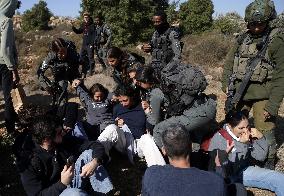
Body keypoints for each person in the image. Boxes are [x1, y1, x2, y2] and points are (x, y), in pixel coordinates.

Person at [221, 0, 284, 169]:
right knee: (233, 124)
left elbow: (280, 76)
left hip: (264, 94)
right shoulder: (242, 39)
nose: (256, 28)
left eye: (260, 24)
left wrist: (272, 105)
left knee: (265, 129)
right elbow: (229, 63)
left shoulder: (276, 41)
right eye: (253, 24)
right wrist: (225, 84)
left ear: (268, 21)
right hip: (241, 92)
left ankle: (268, 160)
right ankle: (235, 152)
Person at [19, 114, 110, 196]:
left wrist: (95, 161)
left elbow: (94, 145)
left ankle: (103, 193)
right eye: (59, 133)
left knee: (90, 154)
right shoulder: (28, 161)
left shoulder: (62, 141)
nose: (62, 133)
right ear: (46, 139)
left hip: (71, 180)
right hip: (56, 192)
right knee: (75, 194)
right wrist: (62, 183)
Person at [208, 110, 284, 196]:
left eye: (247, 126)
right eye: (241, 128)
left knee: (278, 178)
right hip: (228, 176)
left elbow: (260, 157)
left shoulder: (247, 133)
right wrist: (242, 144)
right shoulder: (220, 139)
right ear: (229, 126)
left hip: (244, 169)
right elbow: (229, 169)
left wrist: (261, 138)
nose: (245, 131)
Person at [142, 124, 227, 196]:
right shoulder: (215, 182)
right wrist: (219, 167)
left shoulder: (151, 175)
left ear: (164, 150)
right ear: (191, 146)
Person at [152, 61, 217, 150]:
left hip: (200, 113)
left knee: (158, 130)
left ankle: (170, 159)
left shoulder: (158, 90)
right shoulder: (176, 76)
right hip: (205, 105)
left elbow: (155, 120)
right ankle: (196, 148)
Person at [97, 85, 166, 166]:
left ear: (132, 97)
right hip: (125, 143)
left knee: (147, 138)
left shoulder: (142, 106)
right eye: (120, 101)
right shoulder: (117, 108)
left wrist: (147, 111)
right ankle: (96, 157)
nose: (123, 104)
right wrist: (116, 124)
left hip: (140, 143)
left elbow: (151, 127)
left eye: (125, 100)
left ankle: (160, 171)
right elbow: (113, 128)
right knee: (111, 128)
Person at [37, 38, 80, 110]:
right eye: (60, 53)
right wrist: (45, 86)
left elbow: (83, 62)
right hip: (60, 75)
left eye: (65, 52)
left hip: (73, 73)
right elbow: (40, 72)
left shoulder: (72, 53)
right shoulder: (50, 57)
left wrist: (80, 77)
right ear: (55, 52)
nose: (63, 55)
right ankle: (61, 111)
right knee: (61, 90)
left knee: (81, 88)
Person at [0, 0, 21, 134]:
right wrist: (13, 70)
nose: (14, 9)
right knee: (8, 98)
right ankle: (11, 130)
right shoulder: (5, 20)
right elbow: (5, 50)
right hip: (3, 64)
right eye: (13, 6)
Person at [142, 10, 182, 78]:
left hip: (168, 67)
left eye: (158, 22)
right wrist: (145, 47)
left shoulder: (172, 34)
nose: (155, 24)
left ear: (164, 21)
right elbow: (151, 45)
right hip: (155, 64)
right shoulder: (155, 33)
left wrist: (167, 70)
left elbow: (177, 56)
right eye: (154, 22)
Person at [71, 12, 95, 76]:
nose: (86, 18)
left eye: (87, 17)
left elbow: (94, 36)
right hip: (84, 45)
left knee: (91, 58)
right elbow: (78, 31)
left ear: (89, 18)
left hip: (90, 45)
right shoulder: (83, 24)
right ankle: (84, 71)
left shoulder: (92, 25)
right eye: (85, 17)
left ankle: (91, 71)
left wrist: (92, 44)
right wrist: (73, 27)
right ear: (83, 18)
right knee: (81, 57)